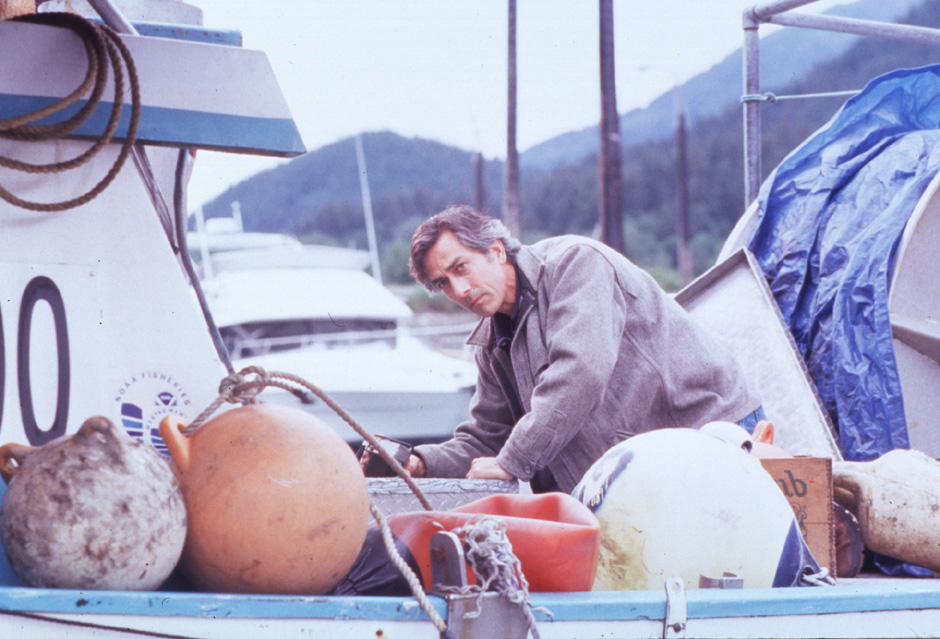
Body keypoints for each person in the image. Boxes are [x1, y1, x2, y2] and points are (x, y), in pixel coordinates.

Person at [401, 205, 762, 493]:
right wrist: (419, 461)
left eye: (461, 267)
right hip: (644, 472)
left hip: (711, 437)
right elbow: (489, 436)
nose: (460, 290)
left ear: (496, 251)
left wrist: (514, 460)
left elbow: (581, 372)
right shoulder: (493, 341)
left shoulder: (575, 264)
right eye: (443, 283)